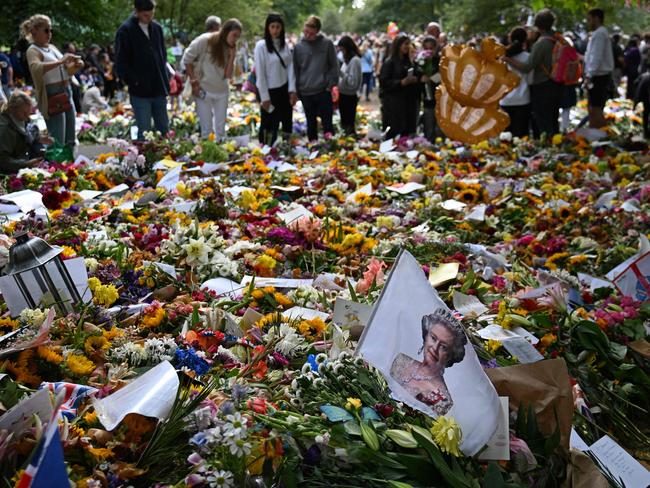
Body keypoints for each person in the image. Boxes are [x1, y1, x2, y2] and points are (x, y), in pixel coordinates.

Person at [390, 310, 467, 416]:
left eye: (443, 347)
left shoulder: (443, 400)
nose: (434, 348)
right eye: (433, 338)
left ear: (451, 355)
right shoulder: (400, 362)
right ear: (426, 335)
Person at [23, 14, 83, 147]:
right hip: (52, 94)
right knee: (58, 136)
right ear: (34, 31)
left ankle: (69, 165)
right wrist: (60, 61)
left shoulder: (52, 48)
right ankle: (56, 166)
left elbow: (66, 71)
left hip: (66, 91)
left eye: (50, 30)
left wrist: (76, 65)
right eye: (46, 30)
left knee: (70, 134)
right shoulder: (33, 50)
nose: (49, 34)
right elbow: (36, 68)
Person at [115, 0, 170, 139]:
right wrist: (133, 80)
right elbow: (121, 61)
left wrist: (165, 78)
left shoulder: (157, 28)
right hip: (139, 89)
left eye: (151, 13)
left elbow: (163, 56)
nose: (149, 17)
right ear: (137, 11)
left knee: (163, 127)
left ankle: (167, 157)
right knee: (144, 129)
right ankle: (144, 159)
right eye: (145, 15)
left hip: (158, 86)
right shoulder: (125, 30)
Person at [505, 9, 562, 138]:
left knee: (543, 120)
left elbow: (527, 67)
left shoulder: (541, 43)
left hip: (542, 85)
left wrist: (508, 60)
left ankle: (548, 144)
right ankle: (555, 141)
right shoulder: (556, 39)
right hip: (555, 82)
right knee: (553, 118)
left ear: (537, 25)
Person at [182, 18, 242, 140]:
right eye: (234, 35)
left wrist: (232, 57)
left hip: (222, 91)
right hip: (203, 89)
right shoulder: (205, 40)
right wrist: (193, 81)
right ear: (226, 31)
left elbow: (228, 75)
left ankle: (221, 154)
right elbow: (187, 59)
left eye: (238, 37)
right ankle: (207, 156)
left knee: (220, 131)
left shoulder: (230, 48)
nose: (235, 39)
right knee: (206, 130)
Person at [293, 15, 340, 141]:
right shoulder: (298, 47)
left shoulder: (327, 44)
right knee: (311, 123)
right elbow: (296, 70)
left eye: (311, 33)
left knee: (327, 123)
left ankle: (331, 148)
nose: (307, 35)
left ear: (317, 31)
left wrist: (330, 85)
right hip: (306, 91)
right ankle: (313, 150)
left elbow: (334, 66)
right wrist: (297, 90)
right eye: (305, 32)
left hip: (323, 90)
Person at [253, 13, 296, 145]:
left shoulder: (284, 46)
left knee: (287, 120)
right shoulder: (261, 46)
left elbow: (290, 68)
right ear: (267, 28)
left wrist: (292, 90)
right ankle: (267, 151)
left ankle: (286, 148)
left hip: (284, 89)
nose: (275, 30)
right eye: (272, 27)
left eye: (278, 27)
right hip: (270, 92)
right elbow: (260, 73)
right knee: (269, 123)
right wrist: (264, 97)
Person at [379, 35, 421, 139]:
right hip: (394, 105)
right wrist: (401, 82)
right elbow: (384, 82)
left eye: (409, 44)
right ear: (398, 45)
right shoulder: (390, 62)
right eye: (405, 44)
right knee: (393, 134)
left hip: (408, 104)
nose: (408, 47)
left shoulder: (410, 62)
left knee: (406, 135)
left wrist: (416, 79)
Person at [0, 91, 52, 174]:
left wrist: (39, 137)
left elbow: (29, 130)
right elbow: (3, 160)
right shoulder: (5, 129)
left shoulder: (19, 117)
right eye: (24, 113)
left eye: (29, 113)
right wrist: (25, 164)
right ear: (13, 108)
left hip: (24, 160)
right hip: (10, 170)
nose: (27, 117)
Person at [584, 8, 614, 129]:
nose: (588, 22)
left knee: (595, 109)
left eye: (589, 19)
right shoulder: (599, 33)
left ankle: (601, 137)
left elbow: (596, 57)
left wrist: (589, 75)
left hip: (598, 76)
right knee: (593, 109)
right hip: (598, 76)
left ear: (596, 18)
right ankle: (595, 135)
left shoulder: (600, 33)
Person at [500, 28, 532, 138]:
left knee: (506, 137)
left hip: (505, 100)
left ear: (510, 39)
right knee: (521, 136)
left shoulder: (502, 58)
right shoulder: (527, 57)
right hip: (523, 99)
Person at [337, 36, 362, 136]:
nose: (342, 52)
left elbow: (353, 82)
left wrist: (340, 73)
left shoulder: (354, 61)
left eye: (343, 49)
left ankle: (350, 141)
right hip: (343, 94)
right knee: (345, 122)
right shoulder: (347, 60)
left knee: (348, 123)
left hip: (349, 96)